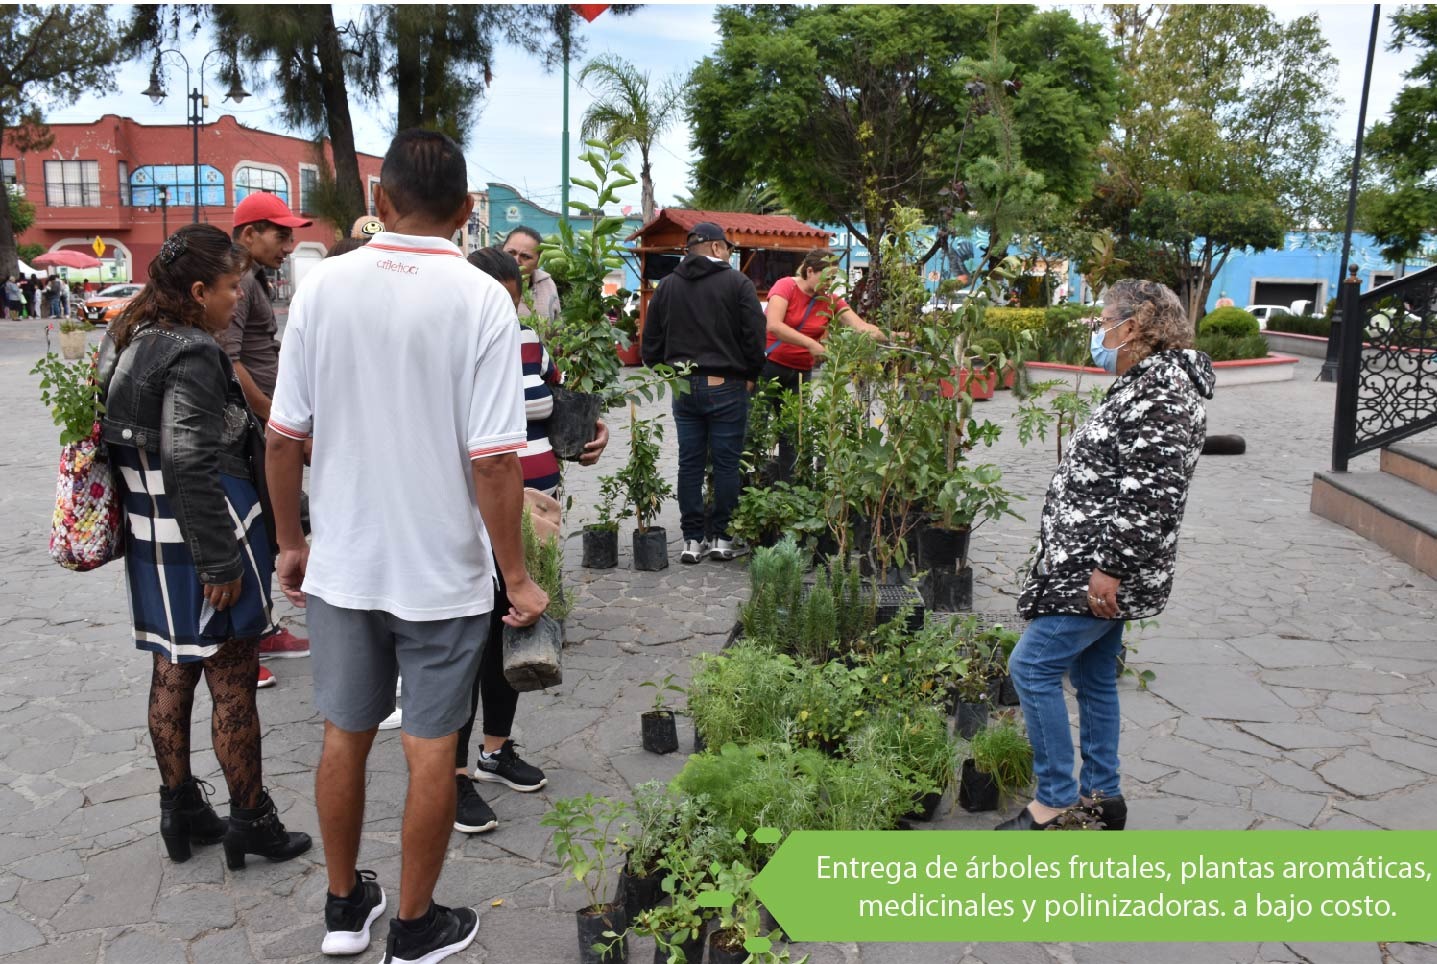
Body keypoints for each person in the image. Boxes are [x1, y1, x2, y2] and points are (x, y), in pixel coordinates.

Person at [266, 129, 547, 964]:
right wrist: (519, 577)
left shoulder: (322, 287)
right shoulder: (481, 299)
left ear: (379, 204)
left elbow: (283, 437)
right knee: (432, 745)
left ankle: (345, 908)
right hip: (441, 574)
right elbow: (495, 458)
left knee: (342, 735)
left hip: (345, 564)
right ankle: (416, 927)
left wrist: (290, 542)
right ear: (466, 212)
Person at [98, 224, 312, 868]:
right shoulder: (192, 351)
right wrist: (220, 561)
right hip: (207, 534)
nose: (235, 299)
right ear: (197, 291)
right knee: (232, 681)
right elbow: (189, 457)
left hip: (153, 532)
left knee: (172, 668)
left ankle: (181, 807)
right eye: (227, 288)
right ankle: (252, 818)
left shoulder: (131, 336)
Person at [1001, 279, 1214, 831]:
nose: (1100, 333)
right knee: (1094, 677)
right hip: (1092, 560)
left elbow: (1151, 493)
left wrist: (1109, 569)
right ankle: (1102, 799)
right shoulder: (1145, 382)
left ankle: (1055, 800)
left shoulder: (1162, 389)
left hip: (1098, 568)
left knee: (1031, 666)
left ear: (1135, 325)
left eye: (1104, 322)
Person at [641, 220, 766, 565]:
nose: (729, 253)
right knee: (726, 465)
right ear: (715, 247)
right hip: (727, 387)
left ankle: (692, 540)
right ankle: (723, 539)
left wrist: (670, 374)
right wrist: (751, 374)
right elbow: (755, 338)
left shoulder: (666, 287)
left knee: (689, 464)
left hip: (684, 389)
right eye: (727, 247)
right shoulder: (737, 283)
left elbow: (649, 347)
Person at [229, 191, 313, 675]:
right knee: (260, 528)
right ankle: (251, 637)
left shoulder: (253, 279)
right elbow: (231, 359)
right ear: (249, 234)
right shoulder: (238, 280)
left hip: (266, 422)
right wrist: (274, 417)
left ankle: (258, 629)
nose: (287, 245)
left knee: (270, 524)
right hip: (256, 426)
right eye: (280, 235)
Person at [760, 248, 890, 479]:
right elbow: (774, 326)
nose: (830, 284)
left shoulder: (829, 300)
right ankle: (749, 482)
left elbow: (859, 326)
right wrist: (811, 344)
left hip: (800, 373)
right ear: (810, 271)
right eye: (827, 277)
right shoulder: (785, 287)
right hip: (770, 367)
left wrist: (894, 336)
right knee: (756, 425)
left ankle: (788, 487)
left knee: (793, 431)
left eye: (834, 279)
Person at [501, 225, 560, 322]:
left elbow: (557, 329)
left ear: (538, 262)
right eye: (511, 252)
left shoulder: (547, 284)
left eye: (525, 256)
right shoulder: (487, 283)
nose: (516, 260)